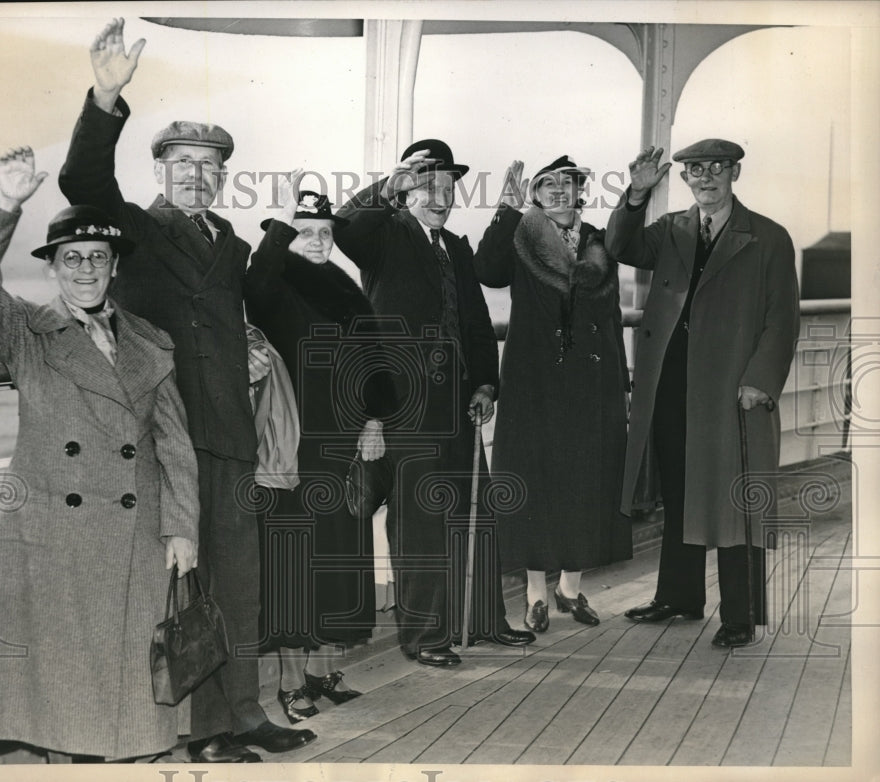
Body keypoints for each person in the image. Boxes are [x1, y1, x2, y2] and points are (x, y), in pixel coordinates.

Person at [58, 19, 313, 761]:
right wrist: (105, 96)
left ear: (221, 176)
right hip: (168, 435)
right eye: (183, 164)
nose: (196, 176)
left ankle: (245, 714)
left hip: (230, 432)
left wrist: (253, 349)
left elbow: (231, 316)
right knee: (187, 587)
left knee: (240, 583)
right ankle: (202, 734)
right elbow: (84, 182)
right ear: (162, 172)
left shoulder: (229, 242)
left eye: (209, 166)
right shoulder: (134, 229)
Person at [0, 148, 199, 762]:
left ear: (114, 267)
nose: (85, 269)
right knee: (63, 699)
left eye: (97, 258)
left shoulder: (151, 342)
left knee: (132, 694)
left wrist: (183, 528)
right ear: (53, 269)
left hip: (138, 536)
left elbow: (174, 445)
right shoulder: (26, 334)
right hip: (54, 536)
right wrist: (6, 204)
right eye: (71, 258)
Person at [335, 139, 535, 668]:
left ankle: (484, 622)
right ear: (405, 191)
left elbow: (474, 323)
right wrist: (389, 185)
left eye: (448, 185)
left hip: (458, 407)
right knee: (420, 521)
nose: (442, 195)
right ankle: (424, 637)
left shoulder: (455, 248)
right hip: (404, 407)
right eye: (429, 184)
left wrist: (486, 384)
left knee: (476, 515)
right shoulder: (383, 238)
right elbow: (344, 227)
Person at [607, 140, 799, 648]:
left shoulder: (768, 237)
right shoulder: (671, 228)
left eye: (716, 168)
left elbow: (783, 318)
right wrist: (635, 195)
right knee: (679, 487)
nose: (705, 177)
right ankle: (680, 597)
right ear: (686, 177)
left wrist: (760, 379)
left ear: (734, 172)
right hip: (671, 380)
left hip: (732, 386)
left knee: (737, 497)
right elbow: (620, 248)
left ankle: (741, 612)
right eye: (695, 169)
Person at [245, 174, 397, 721]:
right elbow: (254, 284)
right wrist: (281, 224)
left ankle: (321, 673)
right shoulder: (271, 285)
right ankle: (289, 685)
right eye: (303, 231)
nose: (314, 240)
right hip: (290, 452)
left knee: (337, 563)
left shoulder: (346, 288)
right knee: (292, 571)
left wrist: (376, 420)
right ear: (286, 235)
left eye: (323, 232)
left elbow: (378, 360)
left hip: (346, 446)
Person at [473, 156, 633, 632]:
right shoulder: (522, 237)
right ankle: (536, 594)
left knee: (584, 479)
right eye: (548, 185)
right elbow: (487, 270)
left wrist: (619, 382)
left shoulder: (600, 241)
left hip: (592, 381)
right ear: (535, 195)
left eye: (568, 183)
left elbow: (610, 315)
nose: (559, 191)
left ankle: (570, 588)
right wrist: (505, 209)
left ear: (580, 190)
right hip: (534, 382)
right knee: (533, 480)